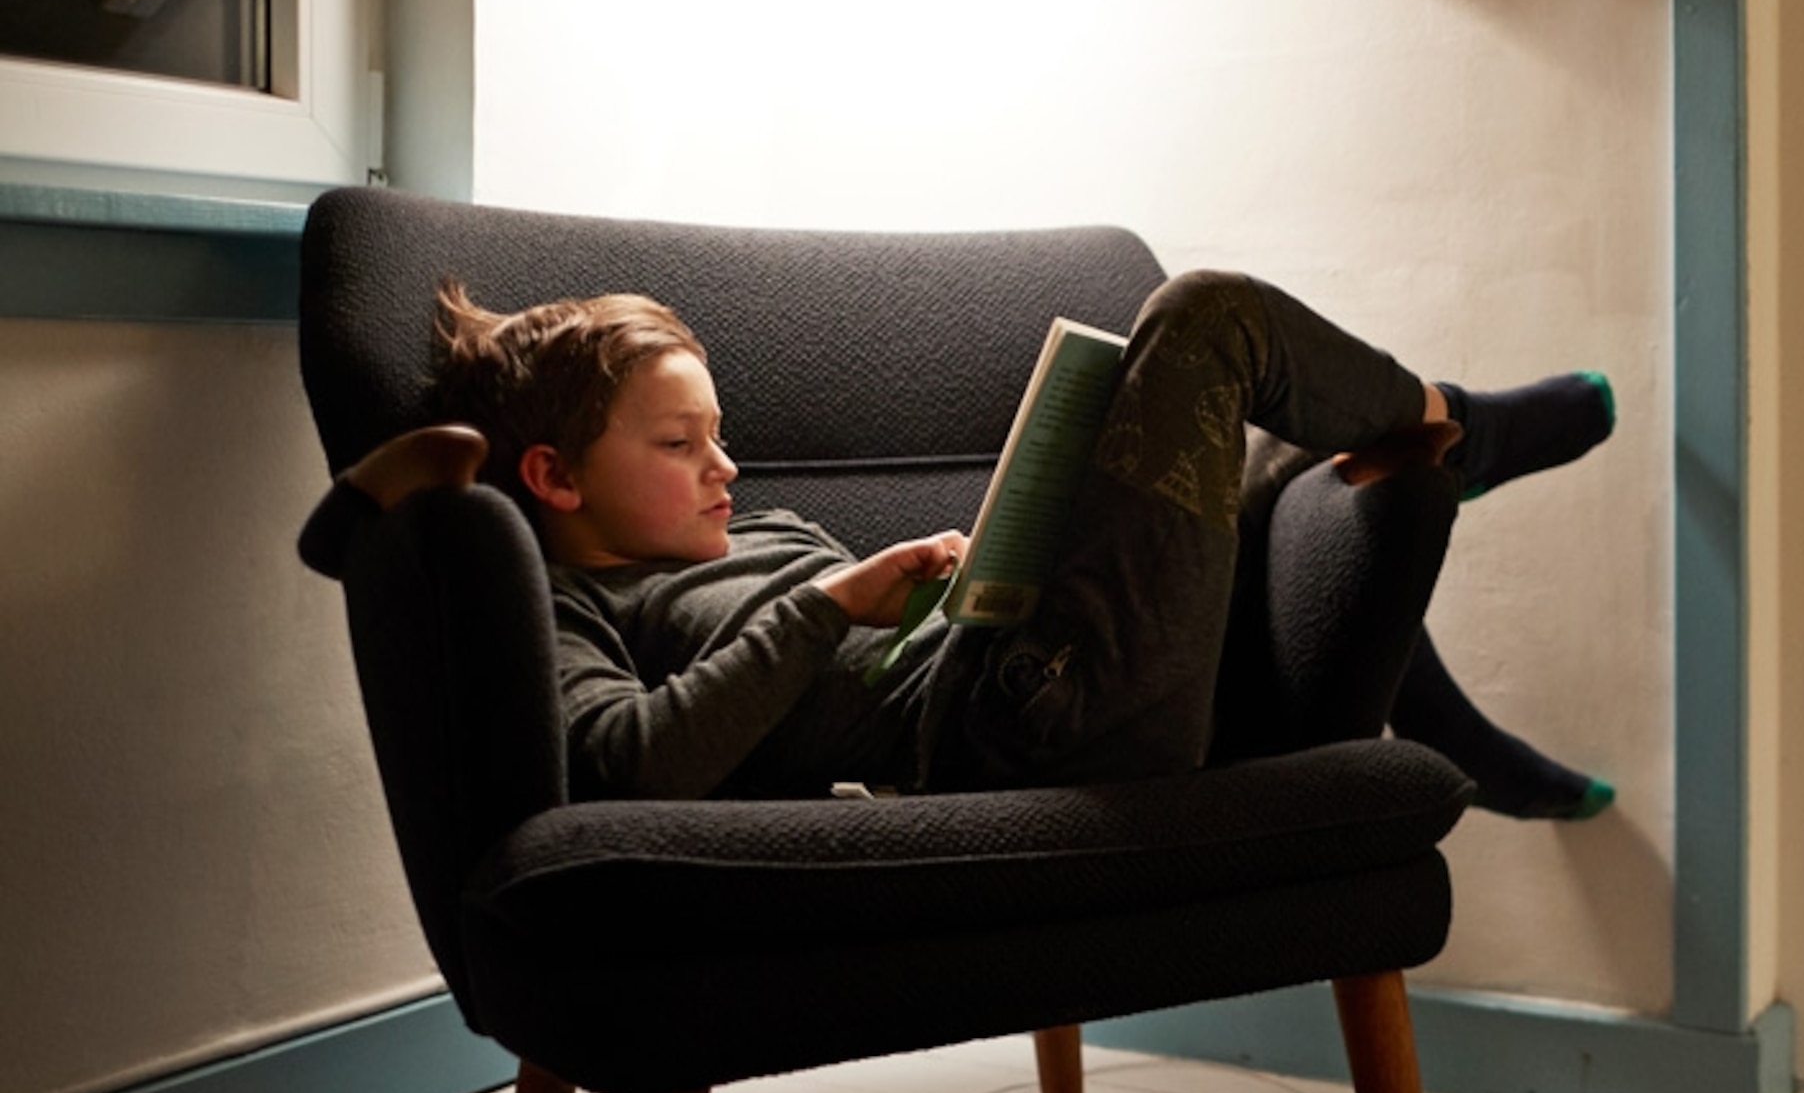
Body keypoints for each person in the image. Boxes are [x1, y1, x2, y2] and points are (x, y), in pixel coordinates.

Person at [386, 266, 1614, 810]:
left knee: (1278, 455)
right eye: (678, 444)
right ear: (554, 477)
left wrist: (995, 562)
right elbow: (624, 764)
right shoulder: (575, 608)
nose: (726, 466)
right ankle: (1466, 429)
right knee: (1204, 319)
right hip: (1025, 729)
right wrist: (829, 606)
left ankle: (1433, 714)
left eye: (719, 434)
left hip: (1050, 661)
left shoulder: (757, 529)